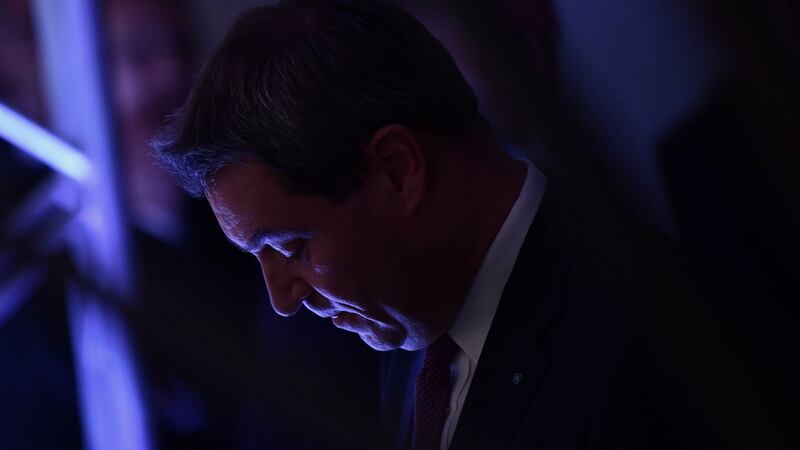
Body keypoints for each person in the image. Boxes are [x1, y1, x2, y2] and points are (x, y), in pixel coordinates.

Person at [152, 1, 798, 449]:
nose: (282, 299)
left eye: (291, 245)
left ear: (399, 169)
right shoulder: (415, 323)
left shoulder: (660, 341)